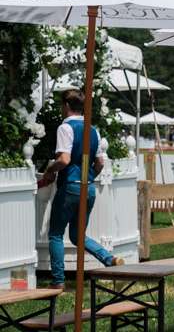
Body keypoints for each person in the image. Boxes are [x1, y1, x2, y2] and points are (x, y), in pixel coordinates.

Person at [40, 90, 123, 287]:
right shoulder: (92, 129)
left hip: (69, 187)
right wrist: (88, 177)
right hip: (88, 189)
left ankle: (58, 280)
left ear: (67, 106)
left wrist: (49, 170)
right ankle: (109, 259)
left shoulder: (65, 128)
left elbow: (64, 159)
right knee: (78, 236)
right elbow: (100, 163)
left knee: (55, 234)